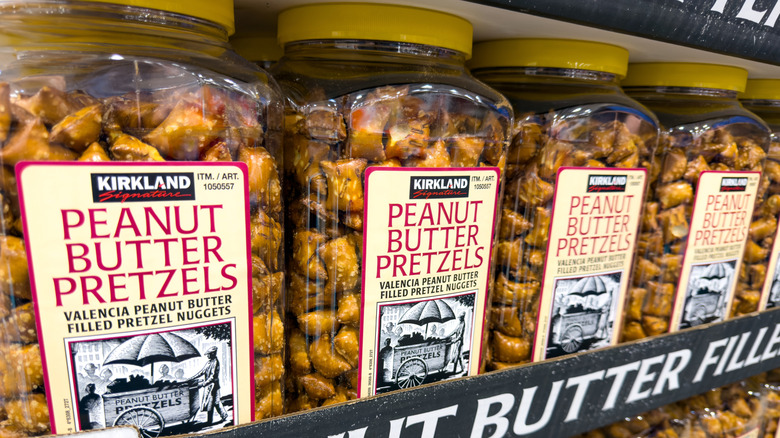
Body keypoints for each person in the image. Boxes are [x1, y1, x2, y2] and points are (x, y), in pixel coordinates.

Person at [189, 346, 228, 425]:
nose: (207, 356)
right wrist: (192, 378)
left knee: (211, 403)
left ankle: (210, 421)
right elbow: (202, 372)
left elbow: (212, 377)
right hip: (209, 386)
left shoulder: (215, 362)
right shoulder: (209, 362)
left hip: (214, 386)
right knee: (215, 402)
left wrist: (203, 384)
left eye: (208, 354)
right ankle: (224, 415)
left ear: (213, 354)